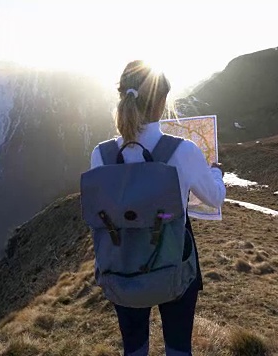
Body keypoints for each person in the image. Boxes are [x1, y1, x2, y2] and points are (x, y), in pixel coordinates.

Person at [88, 60, 226, 356]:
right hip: (173, 263)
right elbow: (214, 198)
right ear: (163, 102)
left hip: (122, 265)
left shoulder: (100, 155)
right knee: (178, 348)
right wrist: (216, 172)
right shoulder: (184, 150)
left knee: (134, 349)